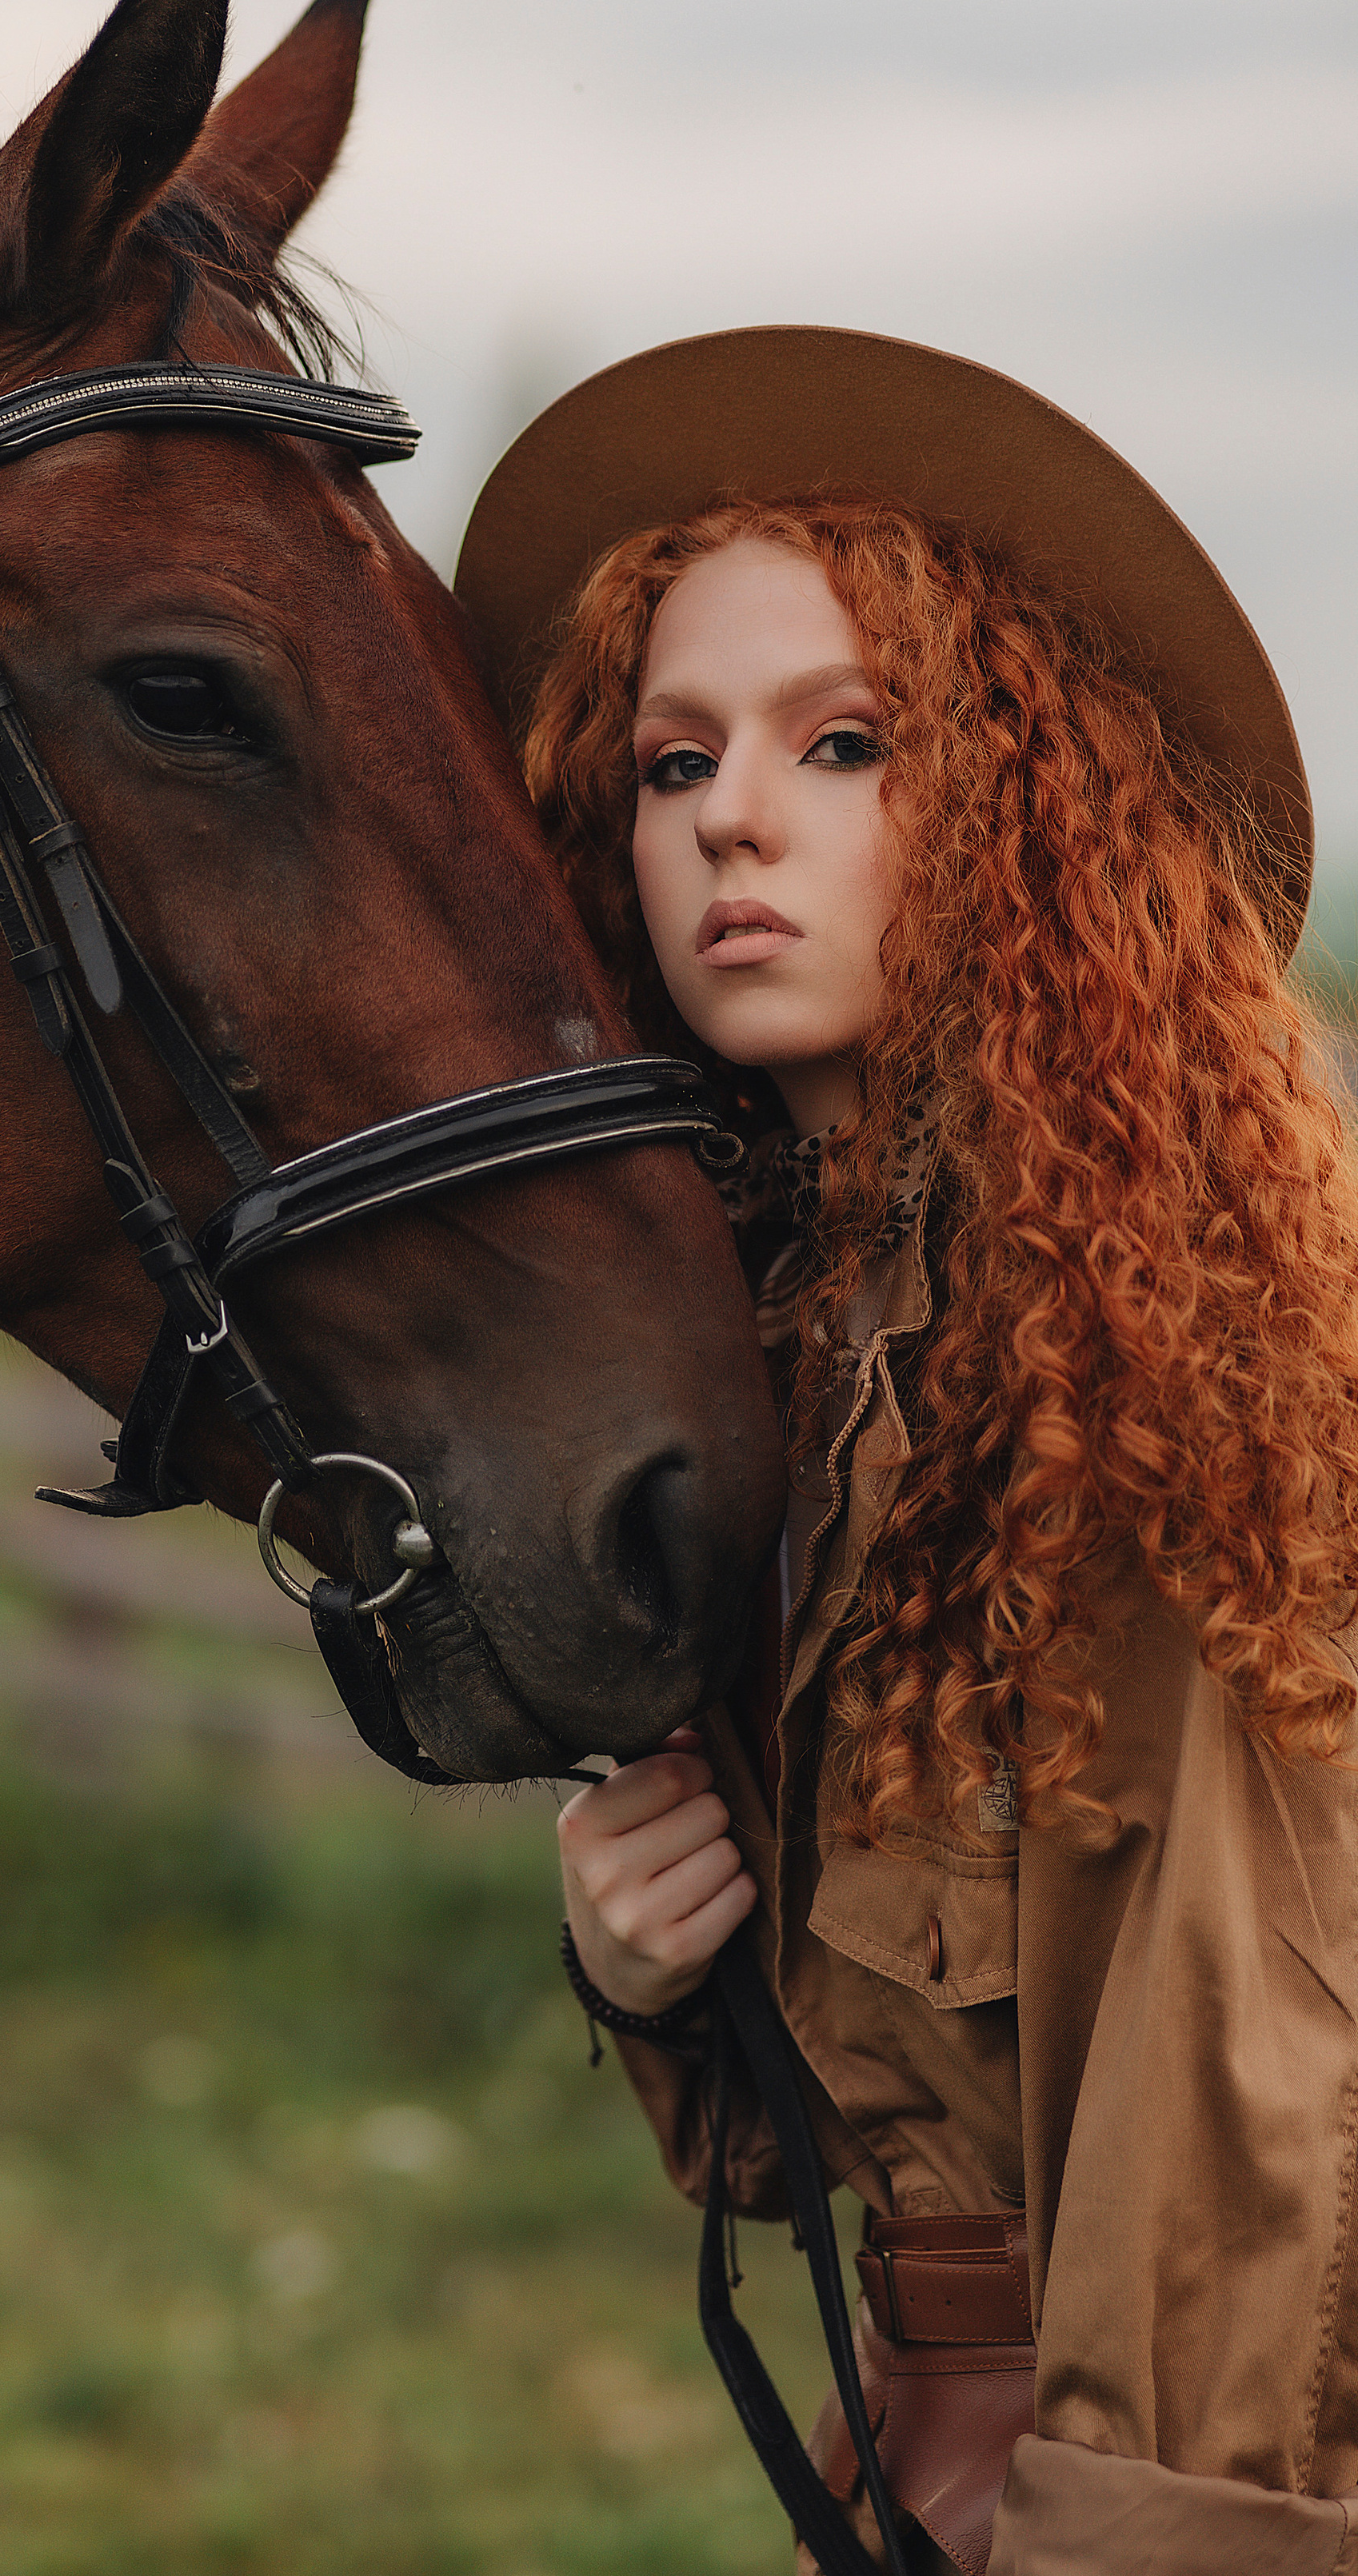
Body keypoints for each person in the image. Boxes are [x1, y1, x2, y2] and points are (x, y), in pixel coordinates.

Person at [453, 329, 1358, 2576]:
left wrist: (1133, 2540)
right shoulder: (800, 1340)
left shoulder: (1162, 1362)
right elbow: (840, 2145)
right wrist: (648, 1977)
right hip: (933, 2457)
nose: (729, 820)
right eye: (674, 764)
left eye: (841, 744)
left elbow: (1250, 2102)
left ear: (1036, 815)